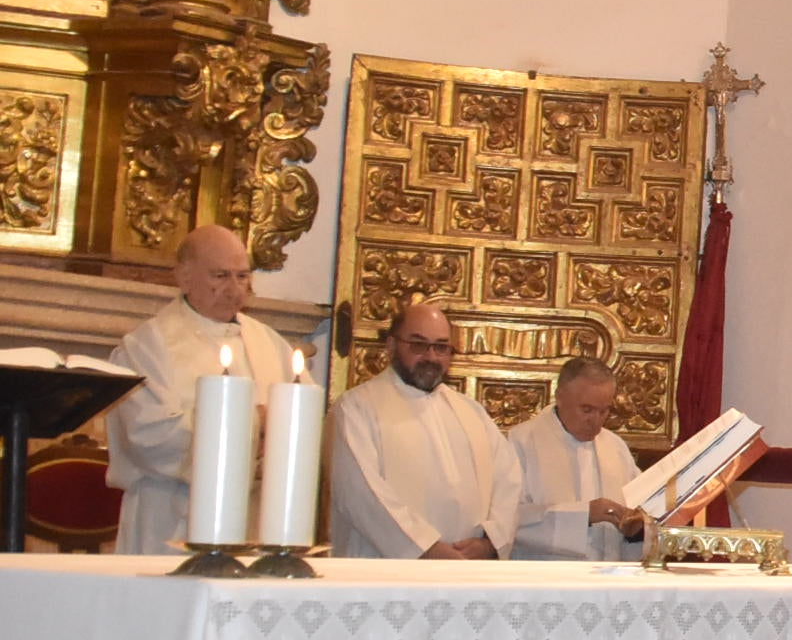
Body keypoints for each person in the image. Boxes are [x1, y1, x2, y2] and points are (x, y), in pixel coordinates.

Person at [105, 225, 300, 554]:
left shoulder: (270, 343)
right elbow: (152, 438)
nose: (234, 290)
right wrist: (255, 426)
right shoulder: (148, 345)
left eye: (242, 276)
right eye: (220, 276)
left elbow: (300, 425)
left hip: (255, 519)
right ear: (183, 276)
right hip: (171, 518)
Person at [329, 300, 522, 559]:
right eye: (418, 345)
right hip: (387, 573)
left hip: (467, 571)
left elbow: (508, 481)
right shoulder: (356, 409)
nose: (431, 357)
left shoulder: (471, 412)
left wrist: (490, 542)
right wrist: (426, 549)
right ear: (391, 345)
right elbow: (360, 495)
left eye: (441, 347)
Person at [507, 356, 648, 562]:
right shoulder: (522, 442)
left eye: (604, 410)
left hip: (608, 581)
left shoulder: (615, 447)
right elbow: (510, 519)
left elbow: (644, 507)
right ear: (560, 396)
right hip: (546, 580)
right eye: (587, 409)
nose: (596, 421)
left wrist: (636, 526)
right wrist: (586, 514)